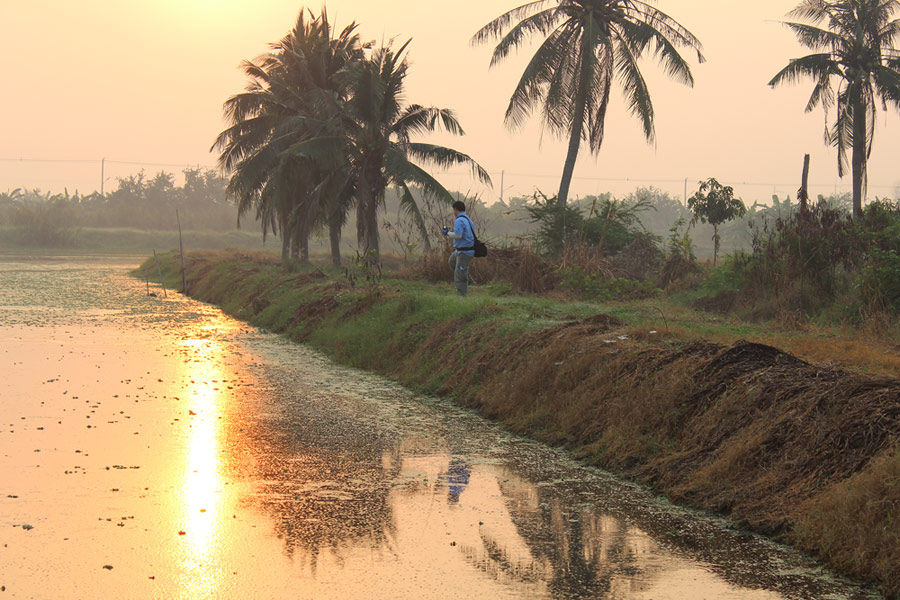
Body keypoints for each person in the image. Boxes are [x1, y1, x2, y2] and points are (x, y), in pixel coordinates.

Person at [442, 200, 476, 297]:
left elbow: (458, 235)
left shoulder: (459, 220)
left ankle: (462, 296)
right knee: (452, 262)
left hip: (464, 251)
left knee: (459, 274)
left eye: (453, 210)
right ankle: (469, 281)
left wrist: (447, 233)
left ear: (455, 209)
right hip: (464, 249)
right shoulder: (468, 219)